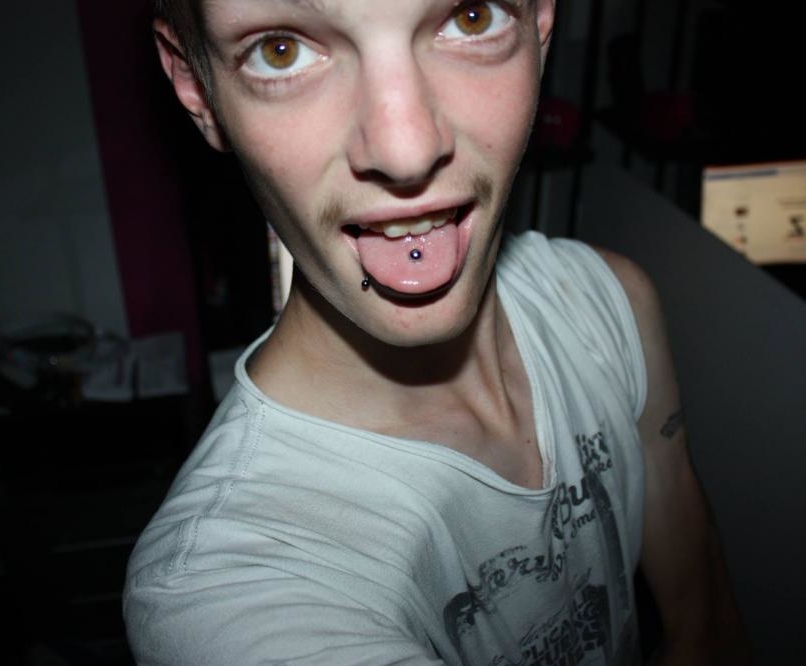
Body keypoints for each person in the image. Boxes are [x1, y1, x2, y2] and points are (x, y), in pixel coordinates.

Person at [125, 1, 750, 663]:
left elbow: (704, 622)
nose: (407, 150)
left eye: (472, 17)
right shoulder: (221, 594)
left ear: (540, 22)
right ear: (196, 86)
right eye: (281, 51)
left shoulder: (607, 302)